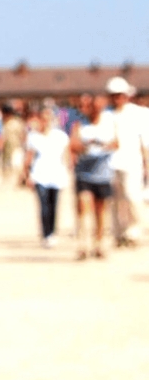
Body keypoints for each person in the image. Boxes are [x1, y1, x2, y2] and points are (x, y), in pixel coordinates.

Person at [71, 94, 116, 260]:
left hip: (103, 174)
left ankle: (99, 243)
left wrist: (103, 144)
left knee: (100, 211)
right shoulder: (79, 125)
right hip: (84, 173)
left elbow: (116, 143)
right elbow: (73, 145)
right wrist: (85, 146)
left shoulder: (108, 123)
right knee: (84, 206)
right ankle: (83, 244)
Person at [105, 76, 149, 247]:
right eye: (113, 95)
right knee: (114, 201)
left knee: (132, 197)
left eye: (119, 94)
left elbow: (145, 142)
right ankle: (118, 233)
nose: (117, 98)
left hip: (132, 163)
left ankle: (134, 231)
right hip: (111, 164)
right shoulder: (106, 115)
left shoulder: (139, 113)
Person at [26, 107, 70, 247]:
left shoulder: (61, 136)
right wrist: (27, 175)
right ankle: (46, 233)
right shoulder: (33, 137)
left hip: (56, 175)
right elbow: (29, 158)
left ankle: (52, 232)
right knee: (44, 206)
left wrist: (67, 172)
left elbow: (66, 157)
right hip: (39, 175)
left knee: (54, 205)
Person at [0, 102, 28, 187]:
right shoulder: (4, 123)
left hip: (17, 148)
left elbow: (23, 135)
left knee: (18, 166)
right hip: (7, 149)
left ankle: (21, 181)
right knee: (9, 167)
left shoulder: (17, 122)